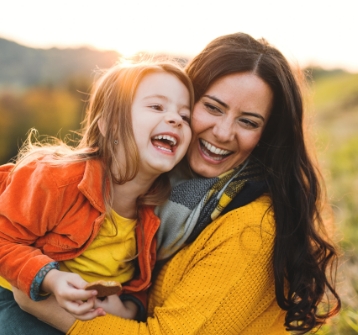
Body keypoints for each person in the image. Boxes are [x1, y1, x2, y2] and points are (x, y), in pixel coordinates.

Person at [12, 32, 341, 335]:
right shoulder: (156, 193)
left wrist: (41, 299)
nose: (224, 133)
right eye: (212, 107)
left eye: (248, 121)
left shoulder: (250, 228)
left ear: (266, 136)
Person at [0, 60, 193, 333]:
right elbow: (4, 240)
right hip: (16, 294)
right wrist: (50, 279)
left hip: (86, 317)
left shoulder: (159, 211)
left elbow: (136, 283)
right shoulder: (57, 179)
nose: (176, 119)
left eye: (185, 116)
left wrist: (127, 308)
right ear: (109, 124)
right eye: (156, 107)